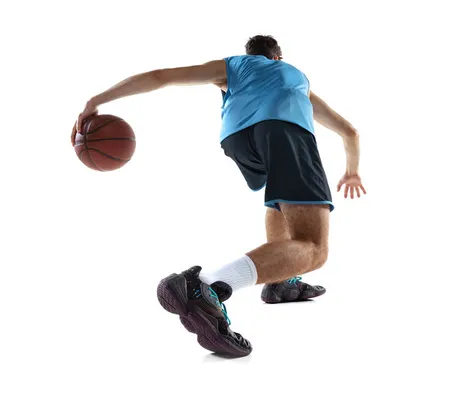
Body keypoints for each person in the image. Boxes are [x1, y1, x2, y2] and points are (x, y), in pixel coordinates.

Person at [74, 35, 366, 357]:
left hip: (239, 140)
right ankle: (207, 286)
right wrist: (352, 171)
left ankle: (283, 280)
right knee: (314, 247)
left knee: (281, 198)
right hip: (281, 131)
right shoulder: (295, 79)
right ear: (278, 57)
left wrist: (97, 100)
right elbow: (349, 131)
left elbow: (162, 77)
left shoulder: (232, 70)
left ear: (250, 55)